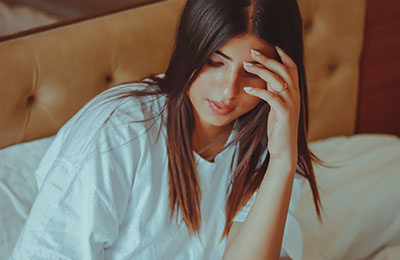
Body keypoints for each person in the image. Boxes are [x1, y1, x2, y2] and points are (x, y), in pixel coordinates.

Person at [9, 0, 326, 259]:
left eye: (252, 72)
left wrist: (283, 161)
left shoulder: (272, 143)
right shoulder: (117, 134)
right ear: (191, 47)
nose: (228, 91)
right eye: (215, 62)